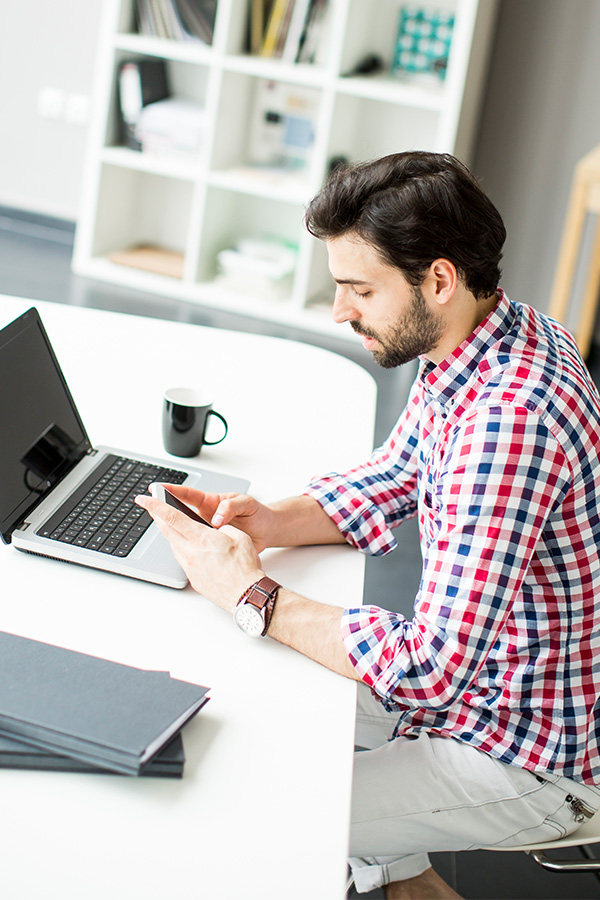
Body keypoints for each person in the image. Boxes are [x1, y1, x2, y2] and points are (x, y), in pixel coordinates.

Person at [136, 151, 600, 899]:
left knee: (264, 811)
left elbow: (429, 665)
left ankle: (391, 857)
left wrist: (254, 595)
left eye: (358, 289)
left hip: (523, 750)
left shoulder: (507, 422)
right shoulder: (483, 333)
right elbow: (401, 473)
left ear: (438, 279)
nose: (339, 311)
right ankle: (401, 869)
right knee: (255, 697)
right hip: (475, 685)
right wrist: (270, 519)